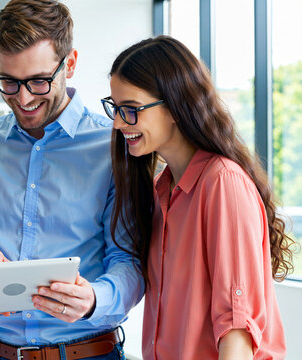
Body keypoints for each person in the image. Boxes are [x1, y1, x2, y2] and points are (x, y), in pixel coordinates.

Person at [0, 1, 144, 359]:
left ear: (69, 64)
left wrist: (94, 299)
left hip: (89, 352)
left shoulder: (115, 146)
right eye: (8, 81)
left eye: (38, 81)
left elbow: (129, 259)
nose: (23, 99)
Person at [105, 35, 293, 359]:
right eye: (115, 108)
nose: (119, 122)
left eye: (131, 109)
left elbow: (236, 331)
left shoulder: (222, 183)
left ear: (174, 106)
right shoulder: (161, 191)